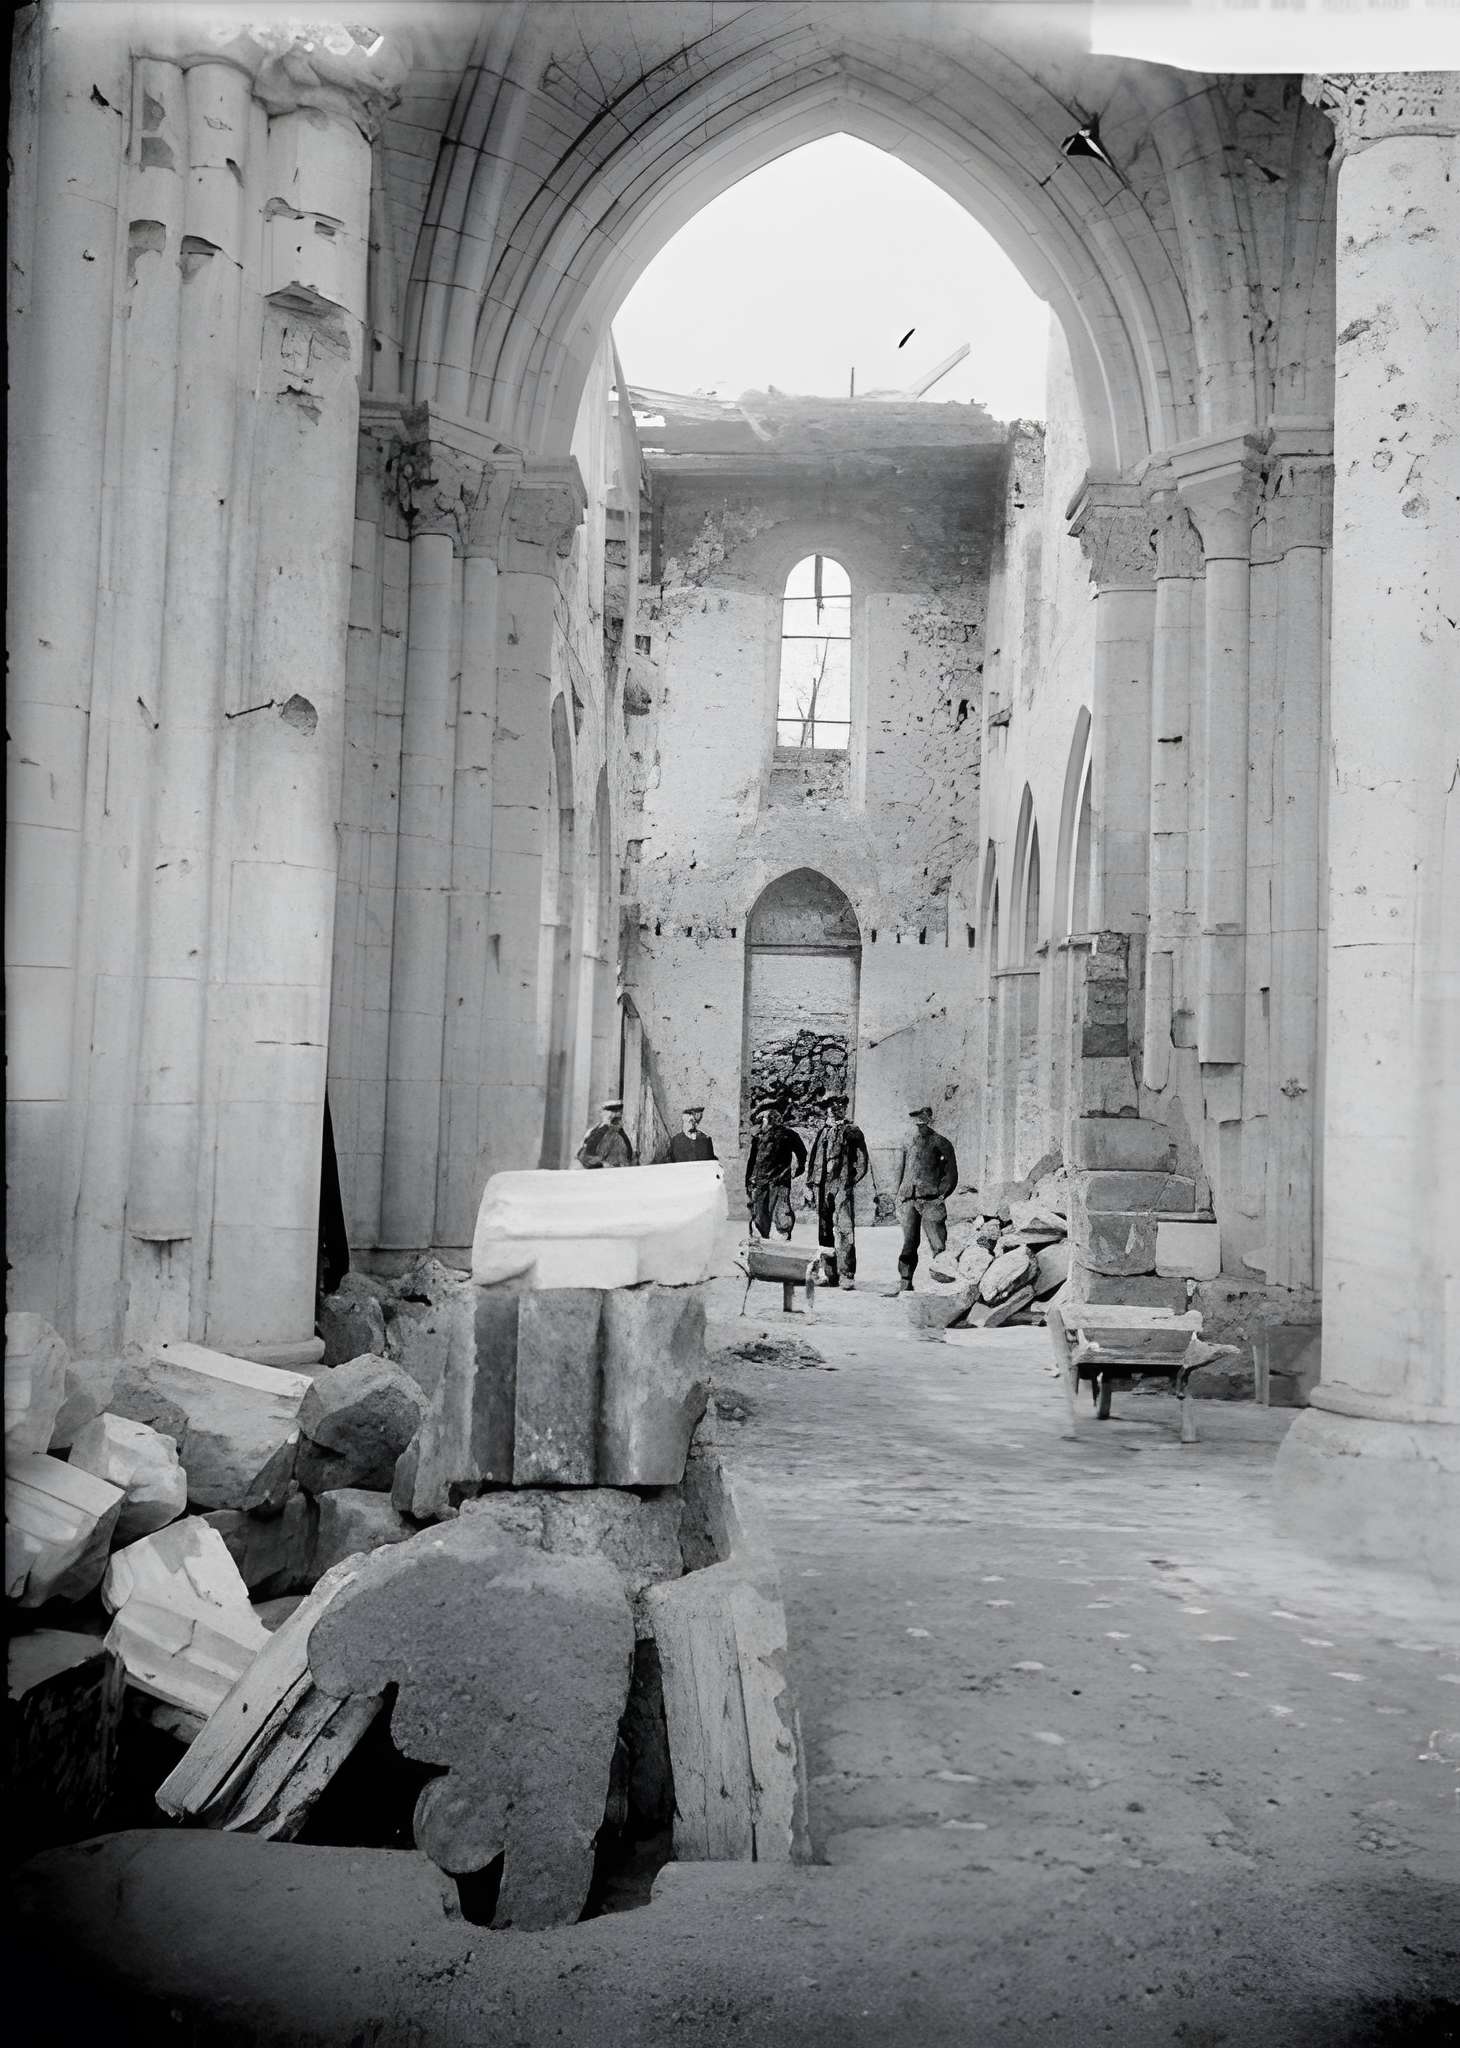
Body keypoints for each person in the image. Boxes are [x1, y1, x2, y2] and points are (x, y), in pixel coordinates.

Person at [887, 1103, 958, 1292]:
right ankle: (905, 1281)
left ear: (929, 1119)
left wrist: (941, 1195)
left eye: (923, 1119)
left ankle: (943, 1285)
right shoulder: (908, 1142)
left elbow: (950, 1174)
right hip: (909, 1200)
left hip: (931, 1201)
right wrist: (899, 1195)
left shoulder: (941, 1142)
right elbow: (900, 1171)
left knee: (938, 1243)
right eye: (916, 1120)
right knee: (909, 1243)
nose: (920, 1123)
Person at [804, 1091, 869, 1290]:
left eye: (838, 1105)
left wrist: (849, 1182)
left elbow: (862, 1160)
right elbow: (814, 1158)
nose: (833, 1109)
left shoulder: (852, 1131)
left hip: (841, 1186)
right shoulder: (823, 1132)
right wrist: (810, 1185)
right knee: (824, 1232)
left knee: (844, 1229)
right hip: (822, 1186)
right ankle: (829, 1274)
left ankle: (847, 1274)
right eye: (830, 1106)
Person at [744, 1094, 806, 1240]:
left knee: (781, 1212)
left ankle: (781, 1238)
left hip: (779, 1182)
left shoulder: (789, 1135)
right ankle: (759, 1240)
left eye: (766, 1118)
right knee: (759, 1213)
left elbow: (801, 1153)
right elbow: (752, 1161)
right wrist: (748, 1180)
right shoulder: (758, 1138)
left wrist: (799, 1167)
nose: (765, 1121)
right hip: (759, 1182)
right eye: (765, 1118)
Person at [577, 1098, 635, 1168]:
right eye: (613, 1113)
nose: (614, 1115)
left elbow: (626, 1159)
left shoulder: (616, 1134)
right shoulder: (596, 1130)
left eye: (617, 1113)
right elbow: (584, 1153)